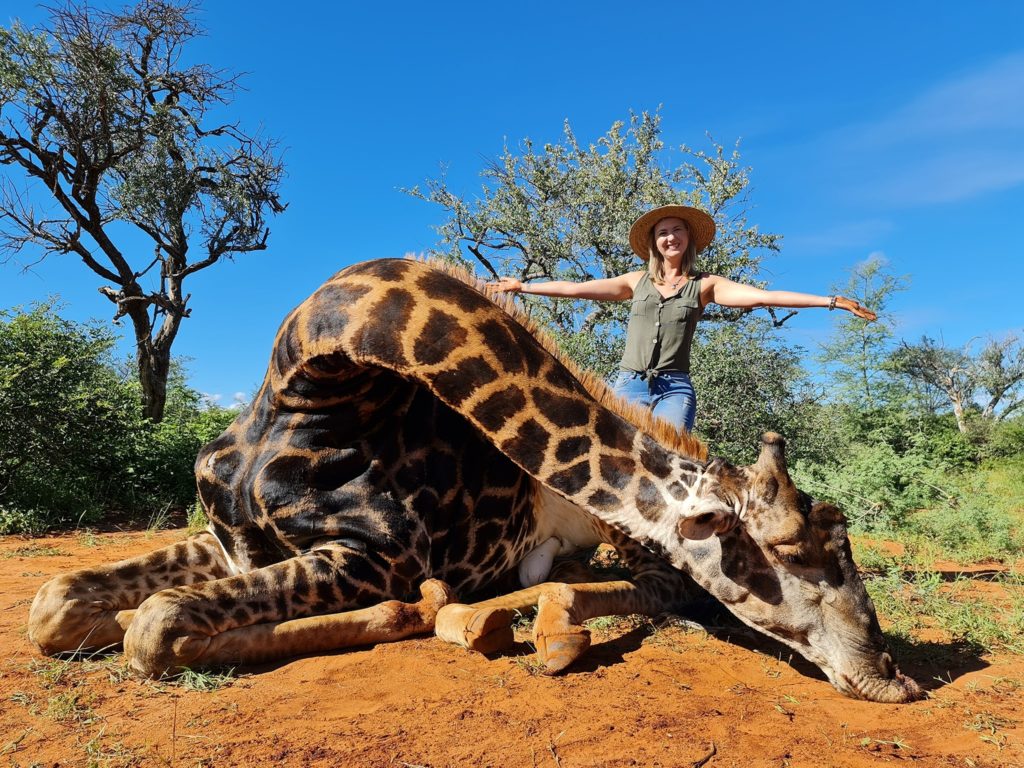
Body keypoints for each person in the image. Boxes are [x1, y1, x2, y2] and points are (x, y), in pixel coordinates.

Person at [489, 204, 876, 432]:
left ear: (688, 238)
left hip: (675, 387)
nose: (670, 237)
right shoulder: (634, 281)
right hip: (629, 386)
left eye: (677, 231)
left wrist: (830, 301)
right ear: (654, 242)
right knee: (621, 456)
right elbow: (576, 287)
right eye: (663, 232)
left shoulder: (706, 285)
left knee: (673, 456)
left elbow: (765, 297)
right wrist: (523, 287)